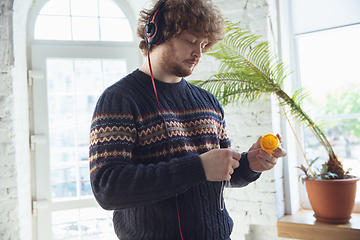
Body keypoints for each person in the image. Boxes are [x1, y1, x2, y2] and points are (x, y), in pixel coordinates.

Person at [89, 0, 287, 239]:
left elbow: (222, 173)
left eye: (204, 44)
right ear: (156, 34)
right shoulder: (119, 100)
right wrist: (198, 167)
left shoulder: (209, 102)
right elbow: (107, 188)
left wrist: (250, 163)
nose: (199, 53)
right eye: (191, 41)